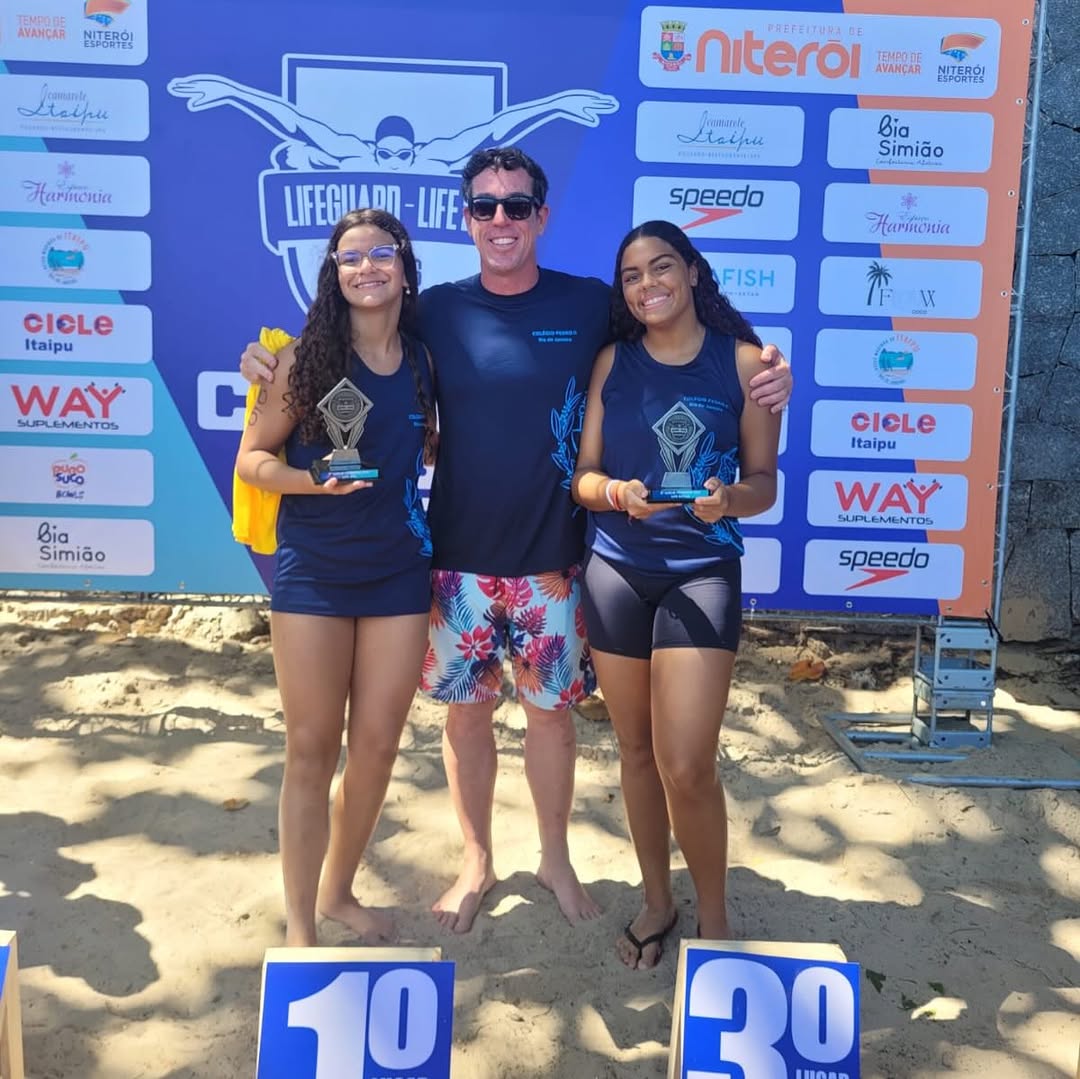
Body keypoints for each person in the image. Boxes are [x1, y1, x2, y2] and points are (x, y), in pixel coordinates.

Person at [239, 147, 792, 935]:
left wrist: (766, 368)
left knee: (550, 718)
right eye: (486, 206)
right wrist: (264, 357)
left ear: (542, 216)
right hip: (454, 556)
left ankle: (554, 857)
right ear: (466, 219)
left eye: (517, 205)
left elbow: (679, 330)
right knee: (465, 718)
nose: (502, 219)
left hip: (556, 559)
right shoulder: (432, 310)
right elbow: (345, 335)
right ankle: (477, 859)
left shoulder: (593, 302)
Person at [570, 220, 781, 969]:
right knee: (634, 749)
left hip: (702, 571)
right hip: (616, 570)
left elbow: (764, 483)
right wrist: (614, 492)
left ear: (693, 272)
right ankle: (658, 899)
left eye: (662, 267)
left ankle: (714, 920)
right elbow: (583, 475)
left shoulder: (747, 363)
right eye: (632, 275)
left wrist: (729, 501)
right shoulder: (611, 362)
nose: (647, 283)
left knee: (686, 763)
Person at [234, 208, 437, 946]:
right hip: (315, 574)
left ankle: (339, 890)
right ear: (333, 273)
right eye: (350, 257)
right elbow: (252, 460)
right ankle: (300, 930)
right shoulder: (301, 358)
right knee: (313, 748)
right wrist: (311, 480)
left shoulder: (424, 360)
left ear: (405, 268)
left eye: (381, 253)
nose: (366, 267)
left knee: (378, 747)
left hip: (398, 573)